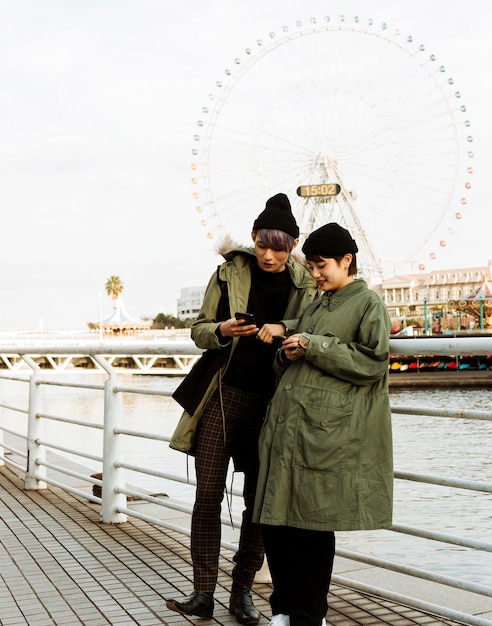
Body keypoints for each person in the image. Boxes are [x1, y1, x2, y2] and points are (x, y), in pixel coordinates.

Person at [166, 193, 318, 624]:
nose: (269, 255)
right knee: (207, 496)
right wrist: (223, 329)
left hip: (272, 403)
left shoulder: (305, 282)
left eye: (280, 247)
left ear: (293, 244)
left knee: (259, 503)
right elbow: (198, 331)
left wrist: (284, 327)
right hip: (222, 394)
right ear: (253, 238)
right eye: (263, 245)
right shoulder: (228, 272)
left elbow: (311, 327)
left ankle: (243, 593)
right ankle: (203, 592)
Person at [253, 222, 394, 626]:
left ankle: (308, 616)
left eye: (321, 266)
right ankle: (282, 611)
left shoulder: (367, 303)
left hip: (325, 431)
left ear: (346, 261)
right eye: (311, 267)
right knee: (276, 522)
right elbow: (296, 349)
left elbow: (373, 361)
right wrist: (287, 350)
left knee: (312, 526)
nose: (314, 274)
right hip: (290, 428)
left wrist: (314, 345)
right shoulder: (317, 305)